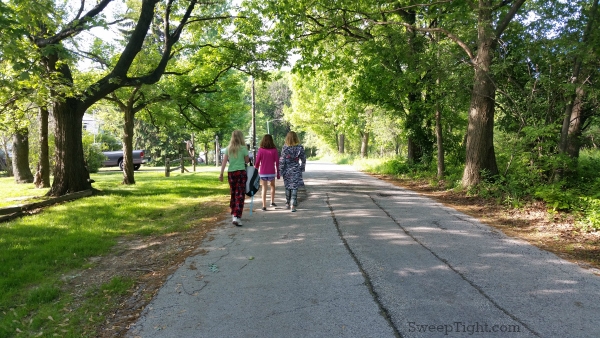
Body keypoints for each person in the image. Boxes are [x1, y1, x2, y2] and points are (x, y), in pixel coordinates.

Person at [219, 130, 250, 226]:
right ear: (241, 137)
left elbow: (224, 162)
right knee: (240, 194)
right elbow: (246, 161)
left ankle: (233, 213)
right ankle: (237, 216)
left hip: (231, 173)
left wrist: (221, 173)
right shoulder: (243, 148)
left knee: (233, 193)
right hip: (241, 172)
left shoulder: (228, 148)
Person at [279, 131, 306, 212]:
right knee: (294, 187)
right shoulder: (300, 147)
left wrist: (280, 170)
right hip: (296, 169)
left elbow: (282, 160)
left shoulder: (285, 148)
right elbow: (303, 159)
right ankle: (293, 204)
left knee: (287, 186)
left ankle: (287, 202)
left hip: (287, 169)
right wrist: (302, 167)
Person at [254, 134, 280, 211]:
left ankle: (264, 205)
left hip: (263, 172)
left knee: (264, 188)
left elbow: (257, 162)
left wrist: (255, 171)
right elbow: (277, 162)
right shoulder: (274, 150)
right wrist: (278, 173)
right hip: (271, 171)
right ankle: (272, 201)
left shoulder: (261, 150)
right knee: (272, 186)